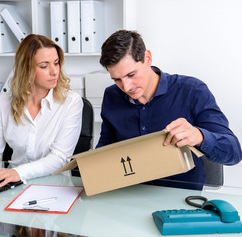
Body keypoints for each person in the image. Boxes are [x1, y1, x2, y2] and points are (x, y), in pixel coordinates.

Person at [97, 30, 242, 189]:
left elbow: (233, 153)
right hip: (128, 194)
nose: (126, 87)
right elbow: (106, 147)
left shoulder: (192, 91)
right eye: (117, 79)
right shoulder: (112, 95)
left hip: (180, 200)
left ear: (147, 58)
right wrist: (93, 161)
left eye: (131, 74)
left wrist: (199, 136)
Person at [0, 34, 83, 190]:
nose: (54, 72)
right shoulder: (5, 101)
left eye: (56, 63)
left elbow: (59, 158)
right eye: (44, 66)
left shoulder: (71, 102)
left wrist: (18, 172)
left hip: (55, 186)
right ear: (26, 69)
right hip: (14, 184)